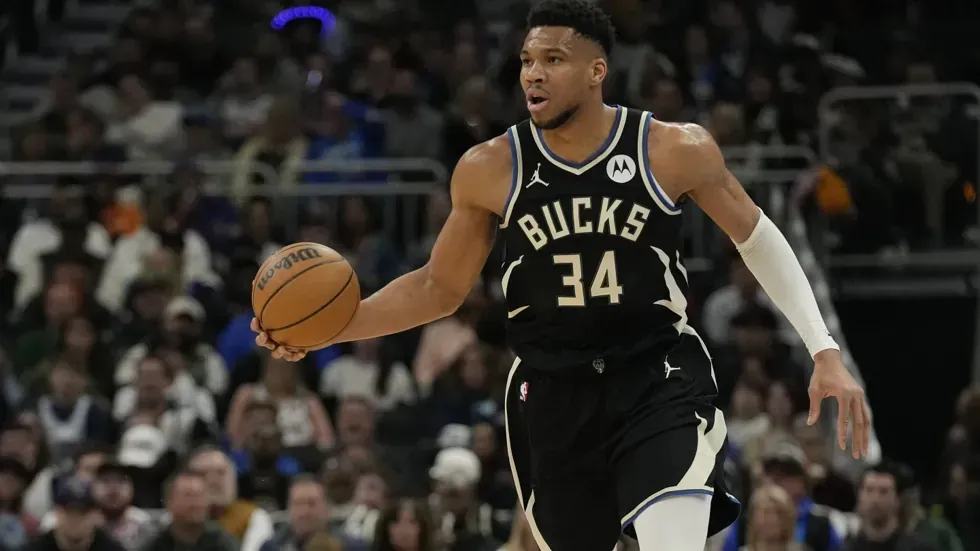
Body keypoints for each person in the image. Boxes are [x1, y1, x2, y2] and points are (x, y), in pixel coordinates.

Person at [253, 0, 870, 549]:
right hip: (551, 393)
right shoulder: (490, 167)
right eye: (526, 60)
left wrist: (823, 349)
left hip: (656, 374)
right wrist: (331, 329)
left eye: (554, 59)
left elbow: (756, 237)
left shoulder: (672, 148)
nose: (533, 74)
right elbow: (439, 288)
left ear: (597, 71)